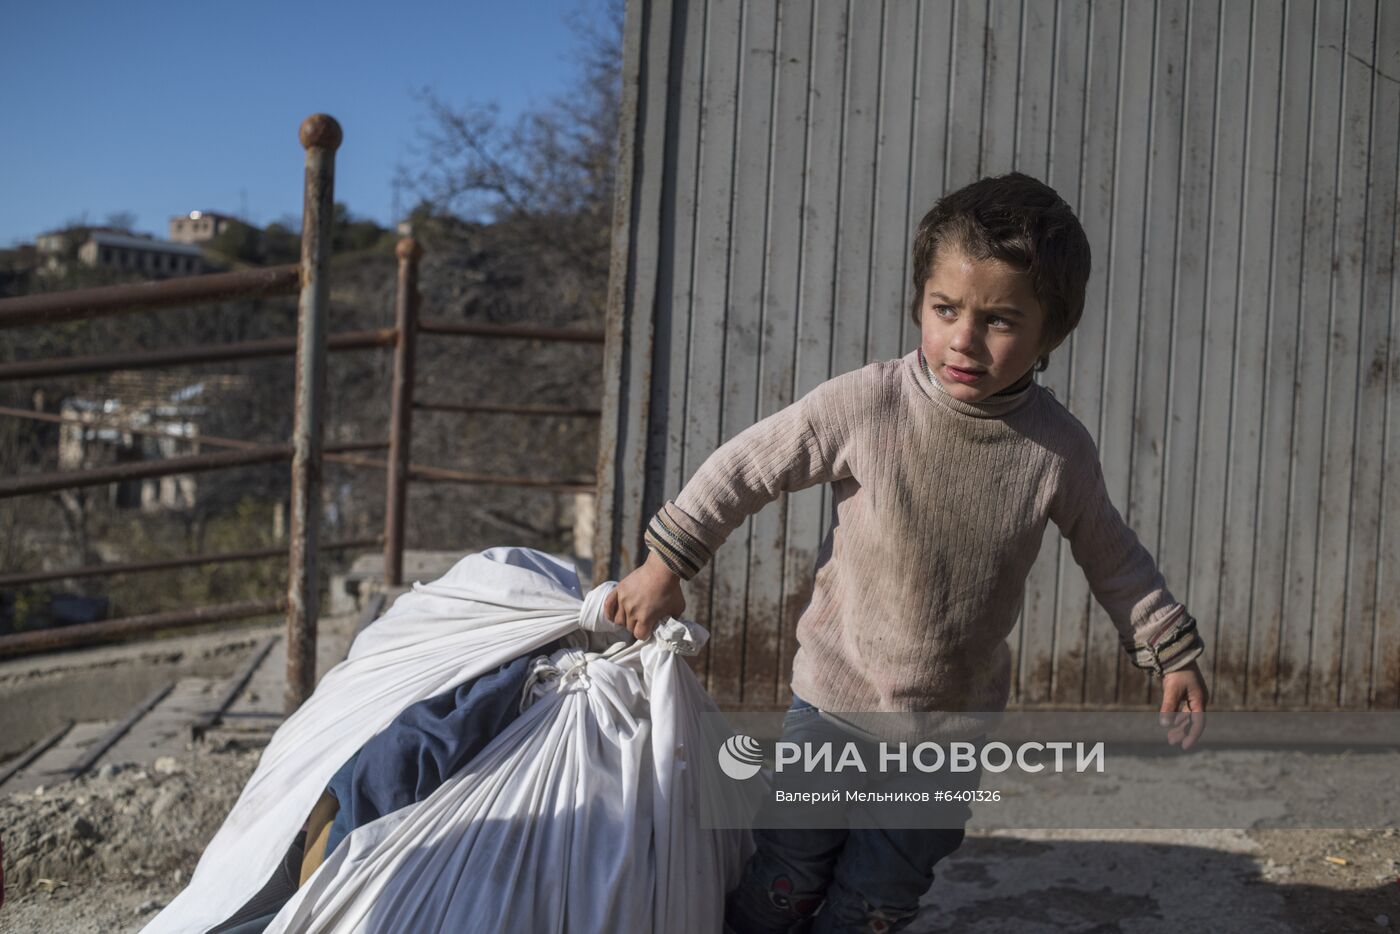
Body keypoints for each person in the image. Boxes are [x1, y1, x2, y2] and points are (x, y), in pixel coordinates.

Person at [604, 172, 1210, 933]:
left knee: (880, 897)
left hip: (950, 729)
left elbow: (1113, 555)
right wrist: (667, 563)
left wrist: (1170, 649)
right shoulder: (867, 404)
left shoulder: (1056, 451)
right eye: (945, 309)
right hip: (834, 701)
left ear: (1052, 331)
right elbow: (744, 468)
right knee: (787, 872)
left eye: (999, 320)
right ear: (919, 300)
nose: (963, 338)